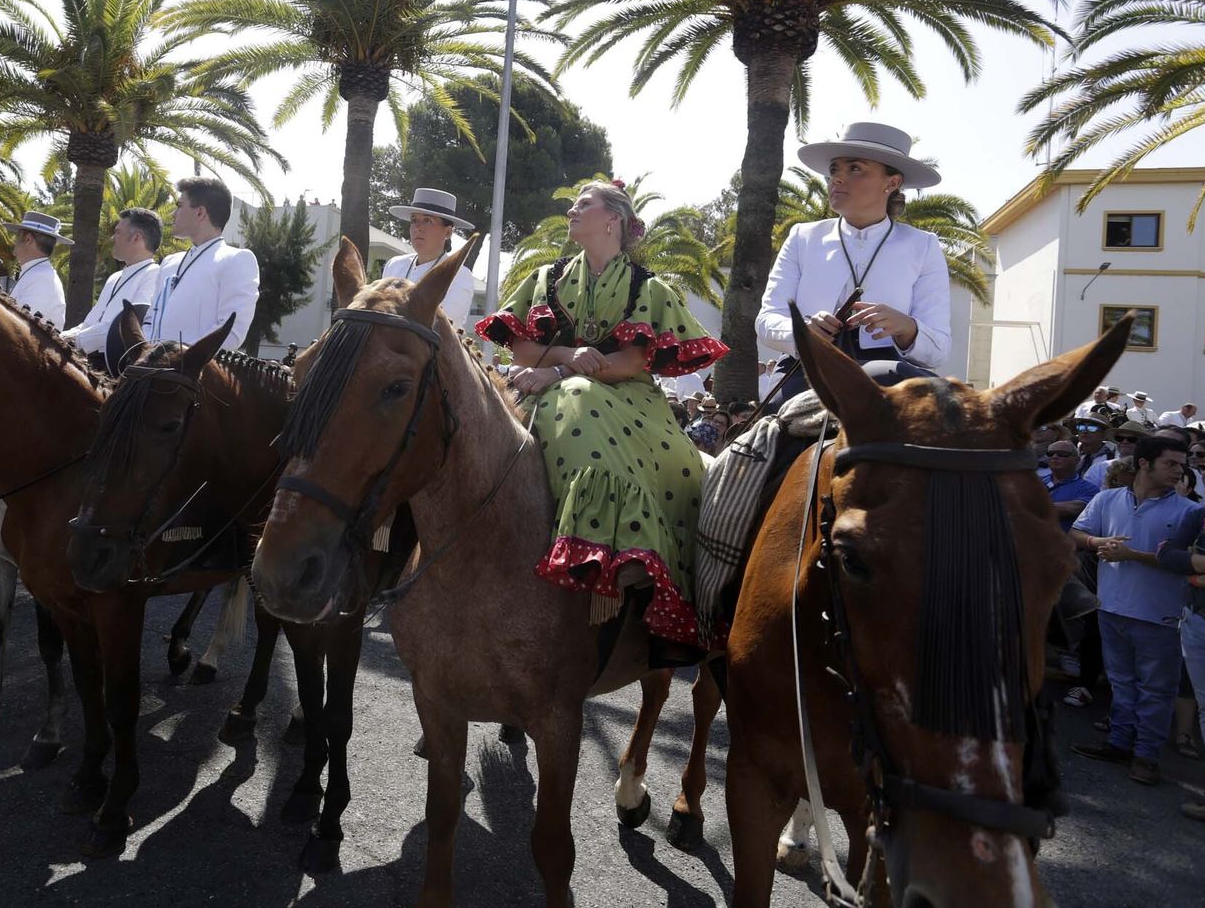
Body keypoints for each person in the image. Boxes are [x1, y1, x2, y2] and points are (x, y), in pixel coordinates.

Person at [476, 180, 728, 651]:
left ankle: (615, 554)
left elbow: (633, 362)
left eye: (582, 204)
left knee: (580, 401)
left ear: (612, 219)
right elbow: (524, 347)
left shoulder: (647, 288)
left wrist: (559, 372)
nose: (571, 210)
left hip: (625, 395)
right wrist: (569, 358)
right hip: (549, 384)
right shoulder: (546, 279)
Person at [756, 122, 950, 407]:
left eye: (855, 168)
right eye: (834, 170)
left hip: (894, 378)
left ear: (892, 183)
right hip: (808, 372)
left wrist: (906, 327)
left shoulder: (923, 245)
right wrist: (802, 331)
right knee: (766, 444)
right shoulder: (803, 237)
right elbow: (766, 320)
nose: (837, 179)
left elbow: (938, 349)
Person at [1070, 435, 1205, 786]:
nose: (1180, 470)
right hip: (1111, 607)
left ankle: (1146, 756)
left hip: (1160, 615)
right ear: (1144, 464)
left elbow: (1189, 564)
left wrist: (1132, 556)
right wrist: (1098, 542)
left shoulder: (1191, 512)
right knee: (1120, 682)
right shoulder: (1107, 498)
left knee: (1156, 690)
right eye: (1171, 463)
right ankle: (1118, 743)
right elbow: (1077, 533)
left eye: (1182, 464)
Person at [146, 177, 258, 352]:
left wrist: (179, 359)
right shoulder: (169, 262)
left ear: (200, 213)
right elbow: (150, 319)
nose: (172, 214)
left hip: (190, 375)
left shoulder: (236, 260)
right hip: (148, 372)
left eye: (179, 206)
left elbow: (231, 332)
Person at [1158, 496, 1205, 821]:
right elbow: (1168, 557)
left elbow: (1183, 562)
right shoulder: (1201, 513)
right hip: (1197, 623)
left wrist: (1193, 570)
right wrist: (1197, 575)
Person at [62, 207, 165, 365]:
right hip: (91, 359)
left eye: (118, 232)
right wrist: (61, 336)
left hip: (116, 366)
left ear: (136, 238)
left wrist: (76, 339)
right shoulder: (114, 277)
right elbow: (91, 322)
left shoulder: (154, 275)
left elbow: (126, 326)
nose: (112, 238)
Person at [383, 188, 477, 329]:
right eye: (414, 220)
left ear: (448, 231)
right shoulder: (394, 265)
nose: (418, 227)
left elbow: (442, 323)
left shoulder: (459, 275)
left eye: (428, 220)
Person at [0, 211, 70, 326]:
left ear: (28, 239)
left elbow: (17, 325)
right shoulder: (38, 274)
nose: (14, 241)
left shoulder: (43, 279)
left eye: (18, 236)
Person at [1045, 440, 1099, 530]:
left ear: (1076, 459)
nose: (1055, 457)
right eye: (1050, 454)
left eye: (1062, 454)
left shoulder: (1088, 488)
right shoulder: (1035, 482)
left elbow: (1073, 508)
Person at [1086, 421, 1149, 488]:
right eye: (1120, 438)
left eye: (1132, 439)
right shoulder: (1099, 468)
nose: (1125, 442)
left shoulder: (1150, 468)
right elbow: (1087, 494)